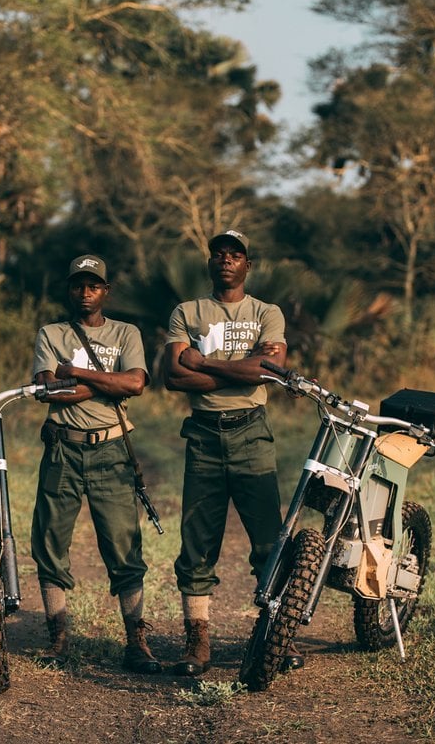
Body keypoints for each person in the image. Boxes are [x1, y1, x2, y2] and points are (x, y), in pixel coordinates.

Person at [162, 229, 301, 677]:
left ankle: (276, 634)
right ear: (210, 263)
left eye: (235, 254)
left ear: (247, 264)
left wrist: (202, 362)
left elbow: (270, 369)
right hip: (203, 436)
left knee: (268, 541)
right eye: (219, 253)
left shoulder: (266, 311)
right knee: (198, 542)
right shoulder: (187, 311)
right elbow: (173, 377)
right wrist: (245, 371)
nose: (226, 259)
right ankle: (197, 641)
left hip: (251, 434)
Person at [30, 254, 161, 674]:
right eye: (78, 285)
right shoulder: (50, 333)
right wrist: (105, 385)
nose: (85, 292)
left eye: (94, 285)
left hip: (111, 449)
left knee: (123, 544)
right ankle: (58, 637)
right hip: (62, 448)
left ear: (106, 290)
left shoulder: (127, 332)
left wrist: (75, 375)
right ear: (69, 289)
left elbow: (136, 383)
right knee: (50, 541)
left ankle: (136, 641)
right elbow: (46, 390)